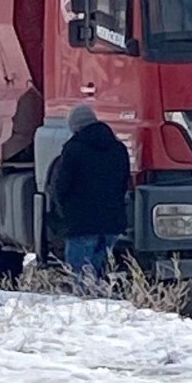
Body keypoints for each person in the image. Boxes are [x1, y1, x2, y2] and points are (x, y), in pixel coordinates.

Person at [46, 104, 131, 278]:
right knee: (98, 274)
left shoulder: (73, 149)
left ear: (75, 126)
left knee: (80, 276)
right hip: (111, 224)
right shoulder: (119, 149)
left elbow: (60, 186)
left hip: (81, 224)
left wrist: (62, 213)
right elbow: (124, 184)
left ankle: (86, 296)